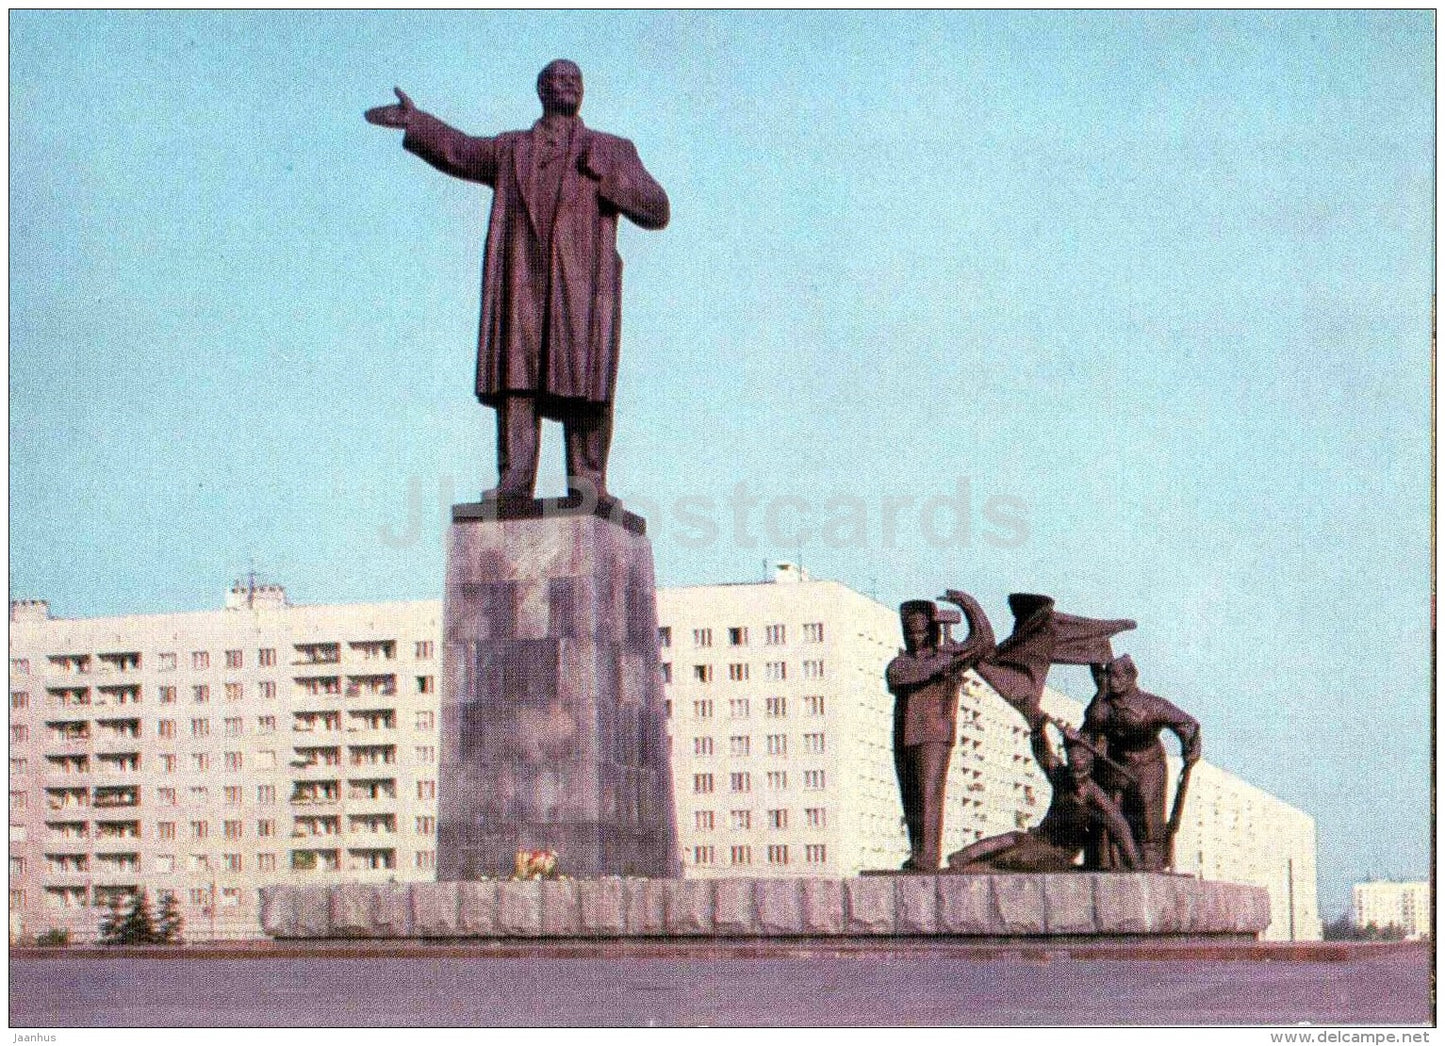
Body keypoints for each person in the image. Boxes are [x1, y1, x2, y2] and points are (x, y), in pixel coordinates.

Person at [366, 60, 670, 500]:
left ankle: (588, 484)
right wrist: (417, 121)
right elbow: (463, 150)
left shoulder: (612, 149)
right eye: (559, 80)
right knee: (517, 376)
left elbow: (658, 209)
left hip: (583, 288)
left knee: (585, 384)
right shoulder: (512, 149)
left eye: (576, 80)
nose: (569, 86)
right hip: (523, 280)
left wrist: (608, 175)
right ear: (541, 90)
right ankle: (515, 478)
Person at [941, 590, 1136, 772]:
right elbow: (1046, 757)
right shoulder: (1068, 779)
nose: (1076, 759)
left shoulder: (1087, 782)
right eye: (1075, 753)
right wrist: (1037, 728)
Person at [885, 599, 991, 871]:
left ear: (931, 630)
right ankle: (918, 851)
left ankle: (929, 856)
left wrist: (969, 607)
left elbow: (983, 643)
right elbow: (898, 677)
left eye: (920, 631)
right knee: (910, 799)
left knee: (929, 796)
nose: (915, 637)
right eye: (910, 632)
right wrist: (939, 665)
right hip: (904, 736)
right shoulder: (903, 662)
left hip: (933, 735)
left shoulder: (948, 658)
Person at [946, 732, 1140, 873]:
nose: (1076, 766)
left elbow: (1120, 827)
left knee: (1018, 857)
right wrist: (1038, 729)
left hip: (1058, 853)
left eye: (1082, 759)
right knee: (1011, 839)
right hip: (1037, 837)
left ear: (1090, 764)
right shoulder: (1061, 776)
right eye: (1072, 759)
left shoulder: (1096, 797)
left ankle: (977, 868)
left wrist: (1135, 864)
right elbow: (1043, 754)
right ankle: (961, 860)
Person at [1080, 655, 1201, 871]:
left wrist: (1190, 747)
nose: (1111, 680)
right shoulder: (1104, 705)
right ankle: (1115, 864)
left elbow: (1188, 724)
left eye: (1116, 676)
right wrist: (1100, 694)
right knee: (1111, 816)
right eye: (1108, 675)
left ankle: (1151, 862)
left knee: (1148, 815)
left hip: (1148, 765)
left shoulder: (1152, 705)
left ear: (1130, 678)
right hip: (1116, 764)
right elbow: (1090, 726)